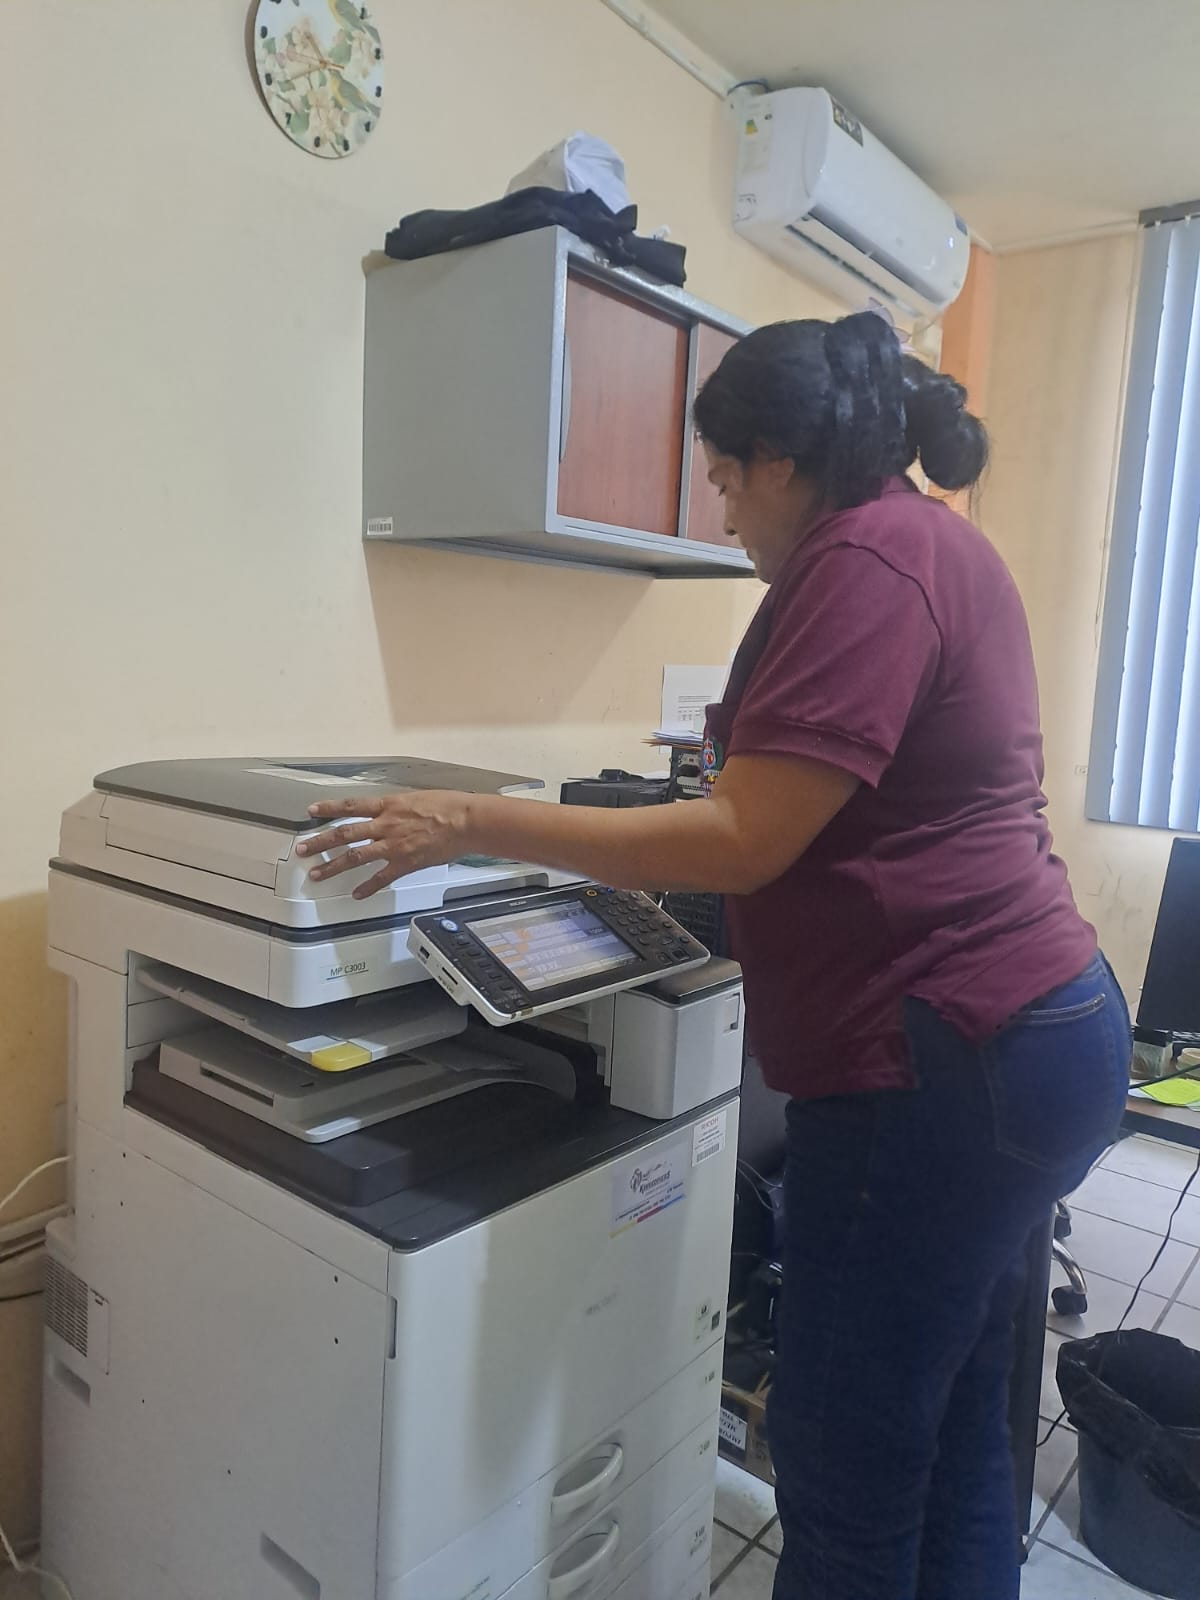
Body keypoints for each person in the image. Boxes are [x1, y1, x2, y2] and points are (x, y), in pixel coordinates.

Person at [297, 312, 1131, 1600]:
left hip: (945, 1056)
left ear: (782, 463)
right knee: (960, 1418)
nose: (728, 514)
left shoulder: (865, 561)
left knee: (843, 1456)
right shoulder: (933, 542)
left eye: (729, 481)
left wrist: (464, 819)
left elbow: (744, 837)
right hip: (1029, 1030)